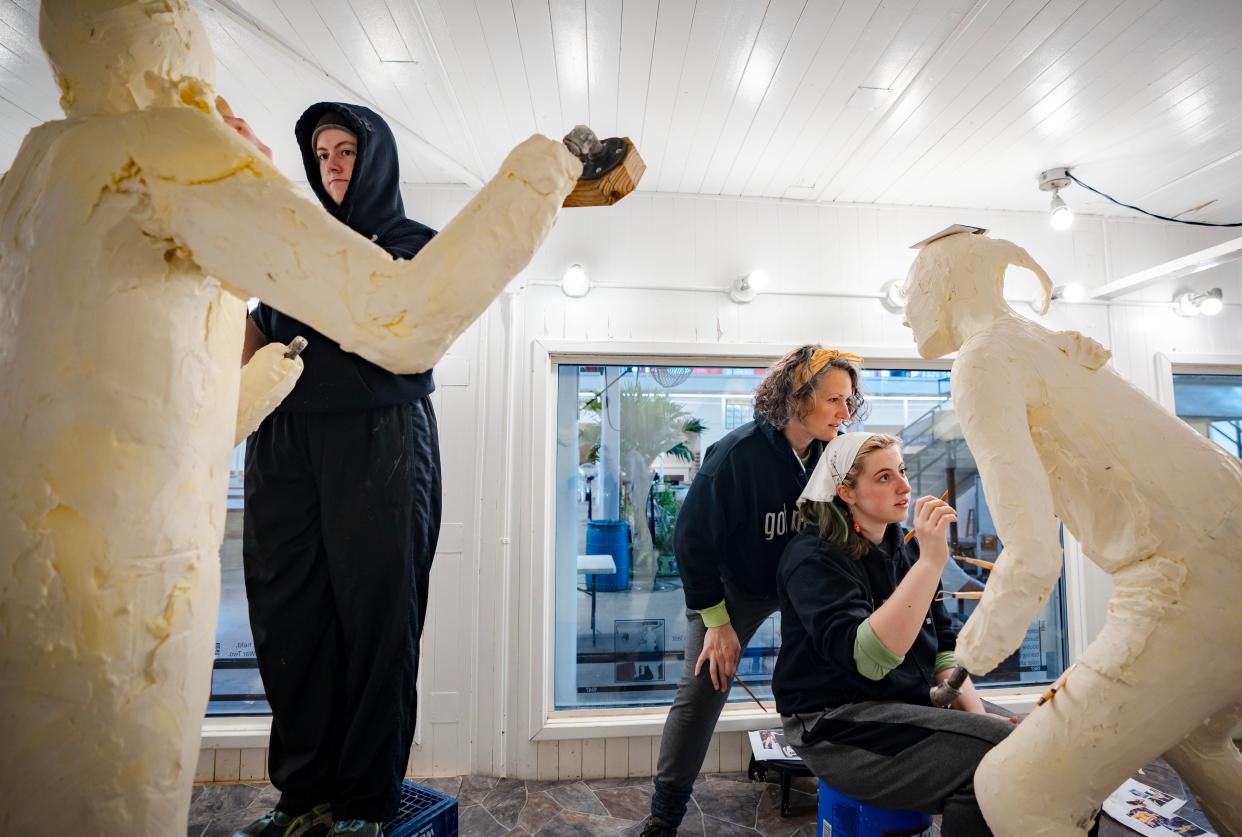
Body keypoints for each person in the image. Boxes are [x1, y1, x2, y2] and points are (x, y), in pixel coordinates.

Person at [227, 102, 443, 837]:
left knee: (376, 623)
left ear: (374, 157)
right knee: (289, 617)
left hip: (377, 433)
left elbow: (415, 330)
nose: (333, 166)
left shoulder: (411, 243)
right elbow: (249, 347)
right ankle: (303, 793)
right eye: (321, 156)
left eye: (346, 150)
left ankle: (363, 803)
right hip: (285, 437)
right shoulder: (288, 250)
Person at [643, 346, 867, 836]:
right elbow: (691, 541)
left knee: (840, 667)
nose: (845, 412)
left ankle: (847, 782)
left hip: (800, 582)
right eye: (833, 400)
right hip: (732, 588)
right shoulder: (735, 456)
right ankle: (664, 818)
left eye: (848, 401)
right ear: (796, 396)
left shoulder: (837, 454)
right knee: (704, 688)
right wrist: (718, 625)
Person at [773, 431, 1034, 836]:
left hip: (906, 703)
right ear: (846, 492)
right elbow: (870, 662)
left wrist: (975, 718)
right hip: (836, 723)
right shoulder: (813, 558)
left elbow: (943, 645)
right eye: (883, 478)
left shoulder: (903, 547)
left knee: (1042, 745)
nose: (905, 485)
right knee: (993, 765)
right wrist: (931, 562)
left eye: (902, 471)